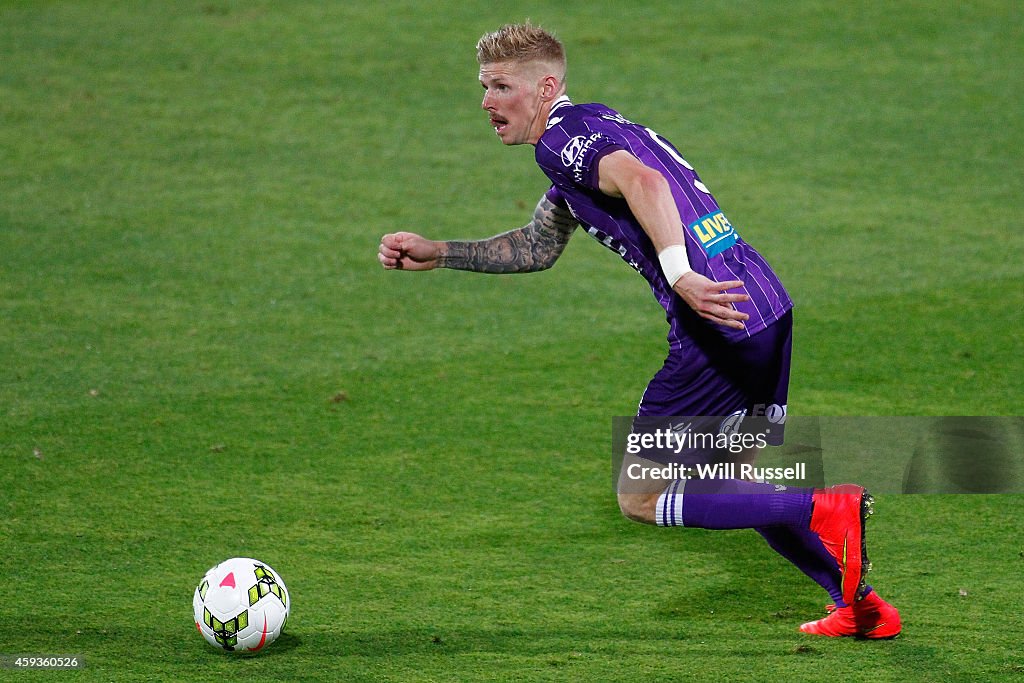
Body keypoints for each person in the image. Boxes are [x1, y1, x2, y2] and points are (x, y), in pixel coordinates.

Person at [378, 21, 900, 638]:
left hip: (714, 327)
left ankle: (824, 507)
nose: (487, 102)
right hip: (762, 305)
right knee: (734, 478)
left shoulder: (562, 141)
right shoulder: (589, 135)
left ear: (545, 86)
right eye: (484, 86)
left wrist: (678, 273)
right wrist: (440, 252)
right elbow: (537, 246)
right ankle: (863, 608)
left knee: (641, 495)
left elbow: (645, 183)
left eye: (501, 86)